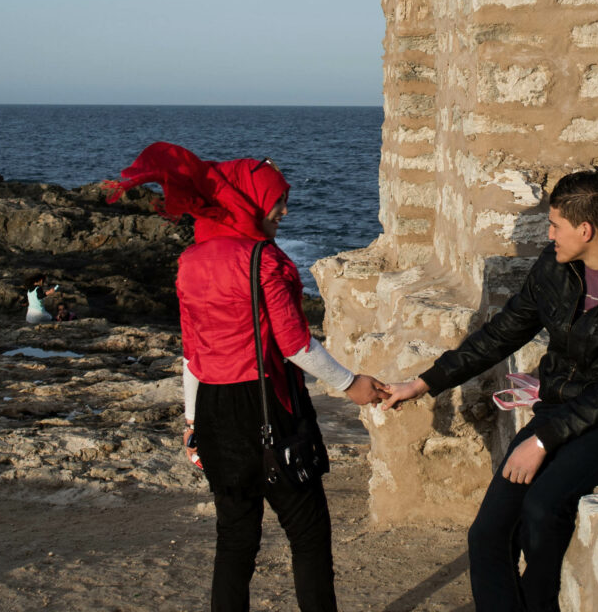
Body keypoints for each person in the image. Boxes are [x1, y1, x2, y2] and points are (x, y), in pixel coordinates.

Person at [383, 169, 598, 612]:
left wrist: (542, 441)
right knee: (487, 534)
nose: (549, 235)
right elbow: (503, 332)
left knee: (542, 509)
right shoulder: (554, 266)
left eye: (555, 225)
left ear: (585, 230)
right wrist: (424, 382)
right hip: (557, 411)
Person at [106, 142, 388, 612]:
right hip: (267, 406)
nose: (284, 211)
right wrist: (349, 383)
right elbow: (294, 345)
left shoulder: (190, 261)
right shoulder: (264, 260)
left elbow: (192, 356)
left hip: (215, 412)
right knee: (307, 532)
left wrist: (192, 423)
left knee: (235, 539)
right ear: (252, 200)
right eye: (278, 201)